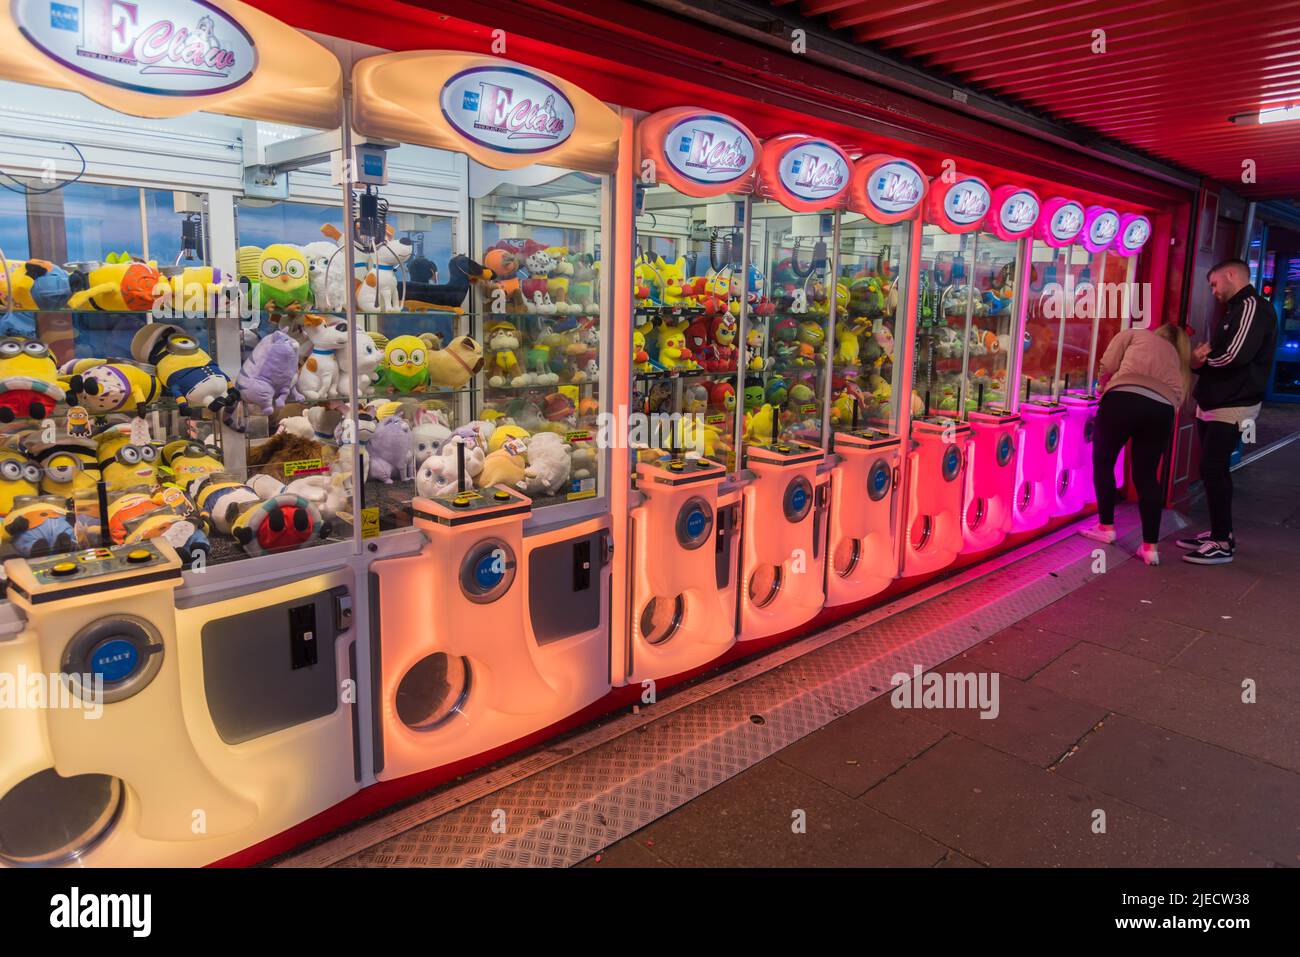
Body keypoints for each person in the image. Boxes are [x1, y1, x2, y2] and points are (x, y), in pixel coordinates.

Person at [1178, 259, 1277, 565]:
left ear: (1231, 275)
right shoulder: (1235, 309)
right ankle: (1221, 533)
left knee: (1213, 468)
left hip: (1233, 404)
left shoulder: (1251, 306)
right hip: (1217, 401)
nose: (1214, 290)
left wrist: (1198, 362)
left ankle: (1222, 541)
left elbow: (1235, 356)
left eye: (1214, 283)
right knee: (1212, 469)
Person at [1081, 323, 1191, 565]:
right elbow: (1179, 396)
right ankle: (1150, 548)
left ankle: (1106, 527)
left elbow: (1108, 364)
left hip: (1122, 399)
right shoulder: (1176, 356)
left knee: (1104, 461)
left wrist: (1102, 385)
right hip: (1162, 409)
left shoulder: (1135, 333)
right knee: (1147, 477)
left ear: (1158, 332)